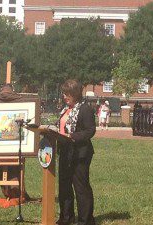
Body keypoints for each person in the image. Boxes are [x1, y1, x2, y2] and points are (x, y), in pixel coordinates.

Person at [57, 79, 96, 225]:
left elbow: (90, 131)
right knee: (64, 186)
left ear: (75, 94)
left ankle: (85, 220)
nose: (64, 96)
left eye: (68, 94)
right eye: (64, 93)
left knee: (81, 187)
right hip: (65, 152)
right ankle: (66, 218)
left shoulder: (84, 109)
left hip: (80, 153)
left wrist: (72, 136)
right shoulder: (65, 109)